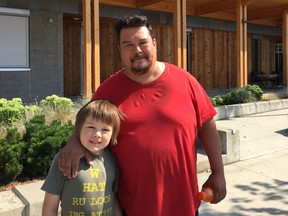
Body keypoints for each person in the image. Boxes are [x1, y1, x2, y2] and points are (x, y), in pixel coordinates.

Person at [58, 15, 226, 216]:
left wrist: (218, 172)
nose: (137, 50)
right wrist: (75, 141)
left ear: (154, 44)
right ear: (119, 50)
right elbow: (88, 126)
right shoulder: (107, 91)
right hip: (133, 208)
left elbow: (207, 125)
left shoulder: (185, 81)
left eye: (142, 43)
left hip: (185, 206)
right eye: (128, 45)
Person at [41, 99, 124, 216]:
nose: (97, 134)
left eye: (105, 129)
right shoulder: (64, 159)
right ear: (79, 128)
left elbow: (113, 200)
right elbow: (50, 208)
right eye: (91, 127)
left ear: (113, 133)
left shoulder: (112, 159)